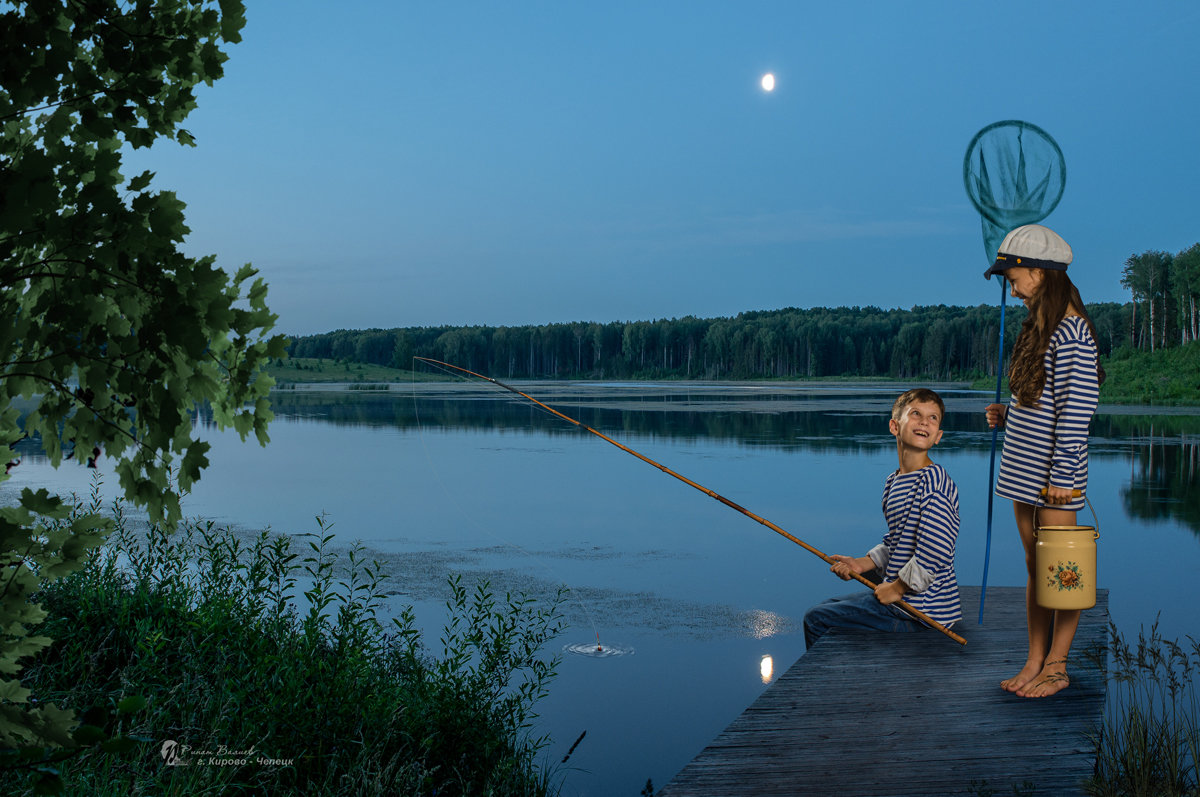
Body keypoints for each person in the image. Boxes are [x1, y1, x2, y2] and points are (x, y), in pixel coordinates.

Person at [983, 223, 1104, 699]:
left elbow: (1076, 413)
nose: (1012, 291)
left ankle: (1057, 666)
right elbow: (1044, 402)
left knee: (1064, 573)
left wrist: (1060, 478)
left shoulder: (1073, 331)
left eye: (1015, 279)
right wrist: (1009, 413)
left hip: (1055, 478)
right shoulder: (1038, 329)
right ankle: (1034, 659)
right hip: (1021, 472)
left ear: (1041, 272)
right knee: (1037, 569)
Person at [803, 388, 961, 648]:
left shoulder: (935, 484)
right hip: (904, 600)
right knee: (826, 607)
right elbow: (897, 542)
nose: (925, 422)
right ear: (894, 426)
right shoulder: (893, 481)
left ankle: (833, 684)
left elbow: (935, 552)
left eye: (933, 418)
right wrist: (860, 564)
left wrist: (897, 589)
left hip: (920, 612)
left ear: (938, 437)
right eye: (916, 414)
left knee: (817, 619)